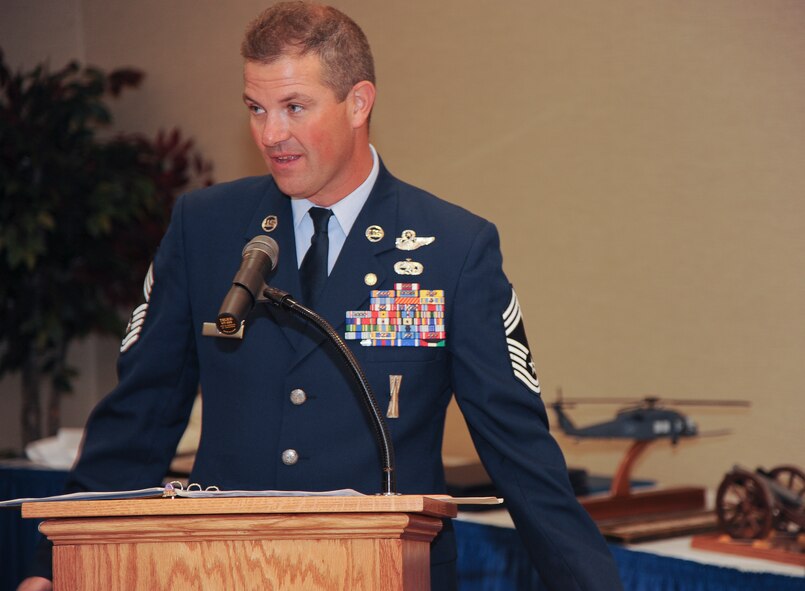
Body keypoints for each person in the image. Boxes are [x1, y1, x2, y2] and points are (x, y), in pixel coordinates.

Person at [19, 2, 623, 590]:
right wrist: (56, 567)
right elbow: (138, 420)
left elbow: (520, 453)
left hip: (385, 575)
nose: (270, 134)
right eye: (256, 108)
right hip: (219, 571)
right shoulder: (205, 229)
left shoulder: (453, 248)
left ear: (358, 102)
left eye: (294, 107)